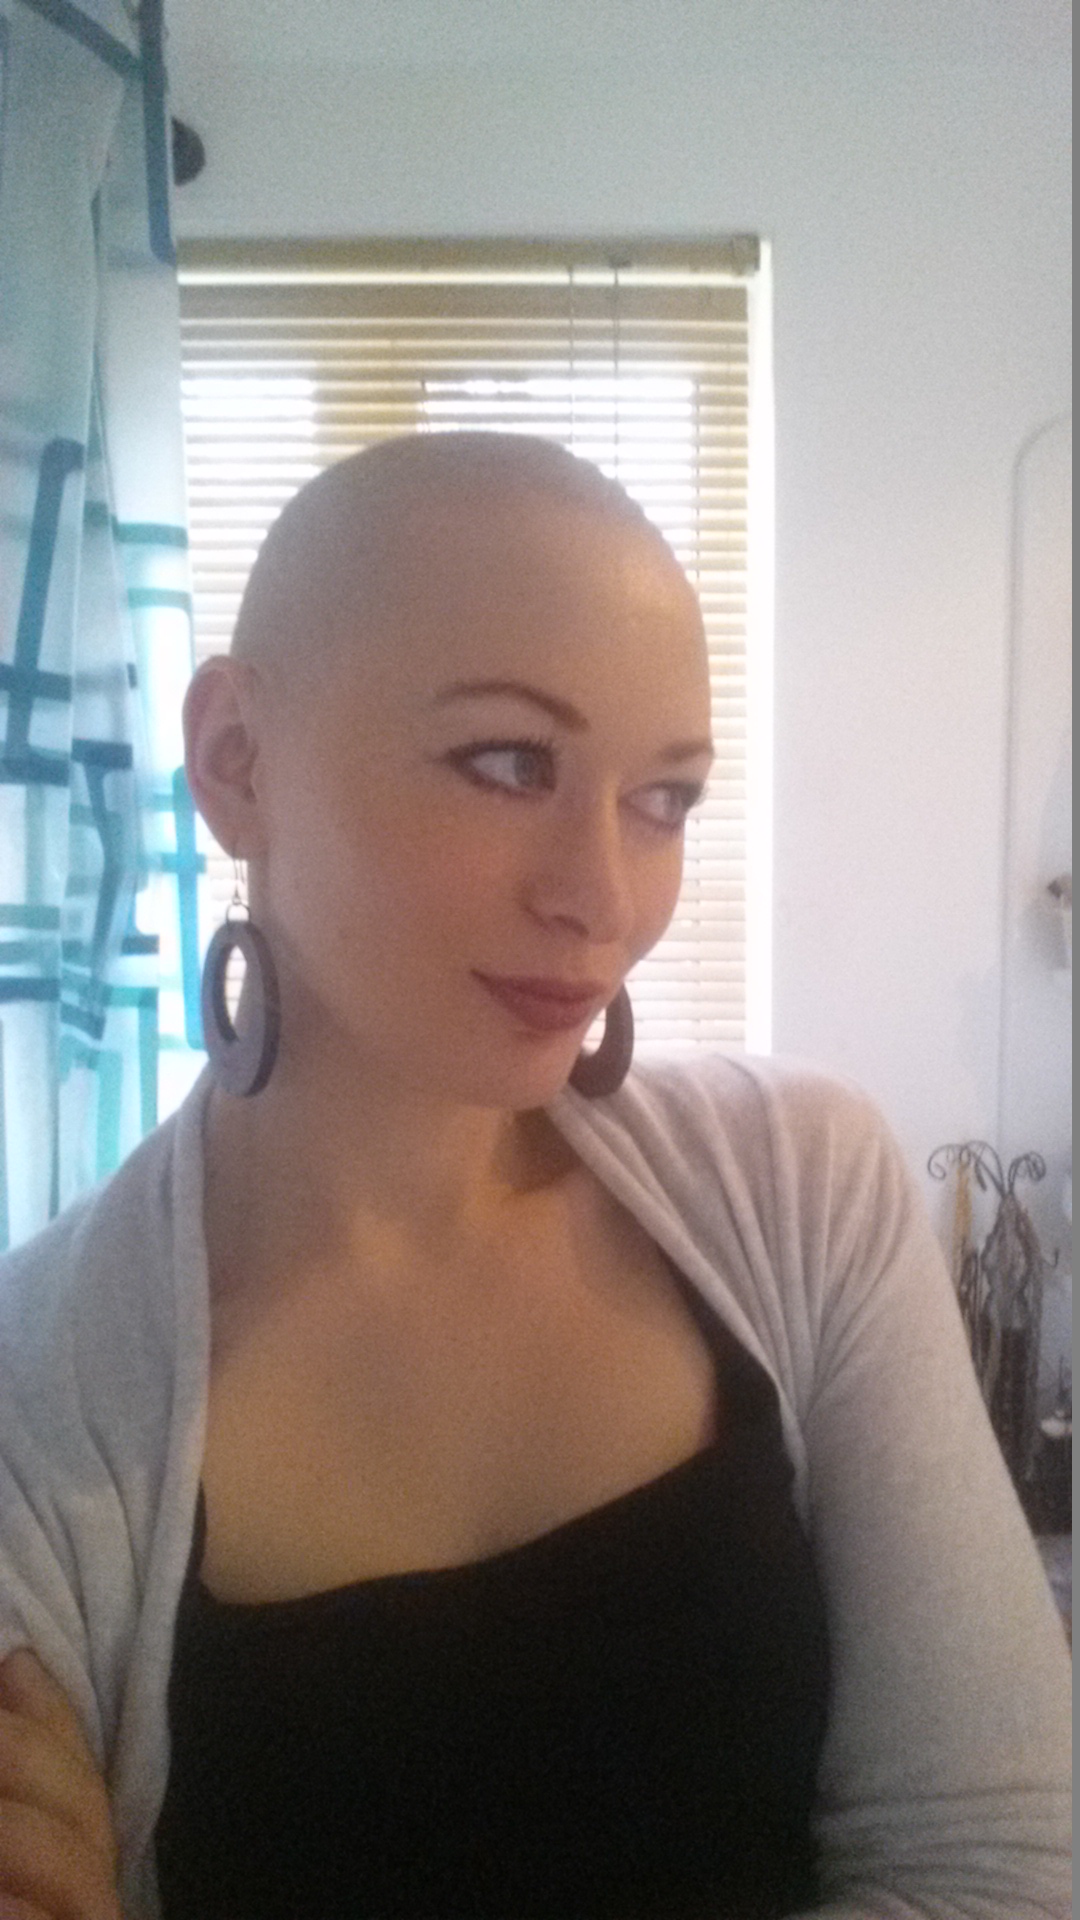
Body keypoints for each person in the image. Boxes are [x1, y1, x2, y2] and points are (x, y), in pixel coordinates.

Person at [0, 432, 1070, 1920]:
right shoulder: (35, 1410)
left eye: (666, 798)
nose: (604, 898)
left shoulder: (801, 1189)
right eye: (508, 763)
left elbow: (998, 1860)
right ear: (237, 759)